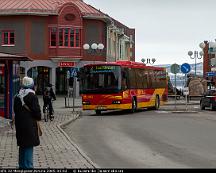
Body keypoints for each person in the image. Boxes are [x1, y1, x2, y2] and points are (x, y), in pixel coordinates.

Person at [13, 76, 41, 169]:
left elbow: (15, 110)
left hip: (19, 124)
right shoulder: (32, 96)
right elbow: (37, 113)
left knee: (22, 145)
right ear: (32, 85)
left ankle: (21, 165)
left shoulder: (18, 96)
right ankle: (28, 166)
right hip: (29, 125)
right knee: (29, 145)